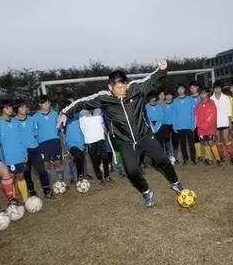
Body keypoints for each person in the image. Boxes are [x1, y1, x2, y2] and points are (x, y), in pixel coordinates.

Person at [58, 59, 184, 208]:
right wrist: (65, 112)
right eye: (118, 88)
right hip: (126, 141)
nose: (122, 91)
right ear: (110, 87)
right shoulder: (103, 97)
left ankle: (175, 182)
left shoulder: (135, 88)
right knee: (131, 171)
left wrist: (162, 69)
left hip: (144, 135)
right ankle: (146, 192)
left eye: (123, 86)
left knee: (163, 160)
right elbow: (82, 102)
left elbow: (151, 79)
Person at [12, 99, 52, 198]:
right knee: (26, 173)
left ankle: (47, 190)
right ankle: (32, 191)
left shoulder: (32, 119)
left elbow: (35, 133)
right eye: (22, 107)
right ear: (16, 109)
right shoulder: (12, 122)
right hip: (22, 152)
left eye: (25, 106)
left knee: (42, 170)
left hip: (34, 149)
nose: (25, 108)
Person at [33, 95, 64, 183]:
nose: (47, 104)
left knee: (58, 162)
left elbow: (59, 127)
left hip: (55, 141)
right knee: (46, 164)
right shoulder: (35, 117)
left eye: (48, 102)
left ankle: (61, 182)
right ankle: (48, 184)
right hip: (43, 144)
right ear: (40, 104)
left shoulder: (54, 113)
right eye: (44, 103)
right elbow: (34, 132)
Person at [80, 108, 112, 183]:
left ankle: (107, 176)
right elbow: (82, 128)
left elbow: (102, 124)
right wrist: (87, 138)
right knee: (95, 160)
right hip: (91, 141)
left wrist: (106, 132)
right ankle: (100, 178)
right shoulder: (82, 113)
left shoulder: (98, 110)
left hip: (101, 138)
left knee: (105, 157)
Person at [171, 84, 197, 164]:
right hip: (179, 126)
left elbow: (193, 112)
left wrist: (194, 124)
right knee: (182, 144)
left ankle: (193, 159)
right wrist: (174, 125)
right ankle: (185, 159)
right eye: (179, 89)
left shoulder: (190, 99)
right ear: (177, 91)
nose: (180, 90)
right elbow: (174, 114)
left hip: (189, 125)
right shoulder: (175, 101)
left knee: (191, 143)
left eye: (182, 89)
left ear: (184, 89)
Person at [194, 88, 221, 165]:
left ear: (208, 94)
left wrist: (207, 125)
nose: (203, 95)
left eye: (204, 93)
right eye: (201, 93)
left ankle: (218, 159)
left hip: (210, 127)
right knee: (205, 143)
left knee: (211, 142)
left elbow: (213, 115)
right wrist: (199, 125)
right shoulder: (198, 104)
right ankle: (210, 159)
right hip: (201, 129)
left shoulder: (211, 103)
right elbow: (196, 116)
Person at [210, 81, 232, 163]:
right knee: (218, 140)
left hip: (225, 122)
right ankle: (221, 157)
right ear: (213, 89)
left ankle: (231, 157)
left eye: (219, 87)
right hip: (215, 123)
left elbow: (229, 111)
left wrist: (230, 122)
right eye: (216, 88)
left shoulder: (226, 97)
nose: (217, 89)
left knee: (226, 140)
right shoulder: (211, 99)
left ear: (221, 88)